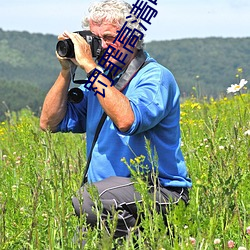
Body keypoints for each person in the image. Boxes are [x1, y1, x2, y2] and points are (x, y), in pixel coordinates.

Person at [40, 0, 192, 244]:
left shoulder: (154, 77)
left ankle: (146, 241)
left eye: (109, 37)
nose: (100, 46)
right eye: (94, 37)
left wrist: (89, 66)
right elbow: (49, 123)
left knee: (88, 200)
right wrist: (66, 70)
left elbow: (127, 120)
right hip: (110, 198)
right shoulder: (100, 80)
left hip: (160, 191)